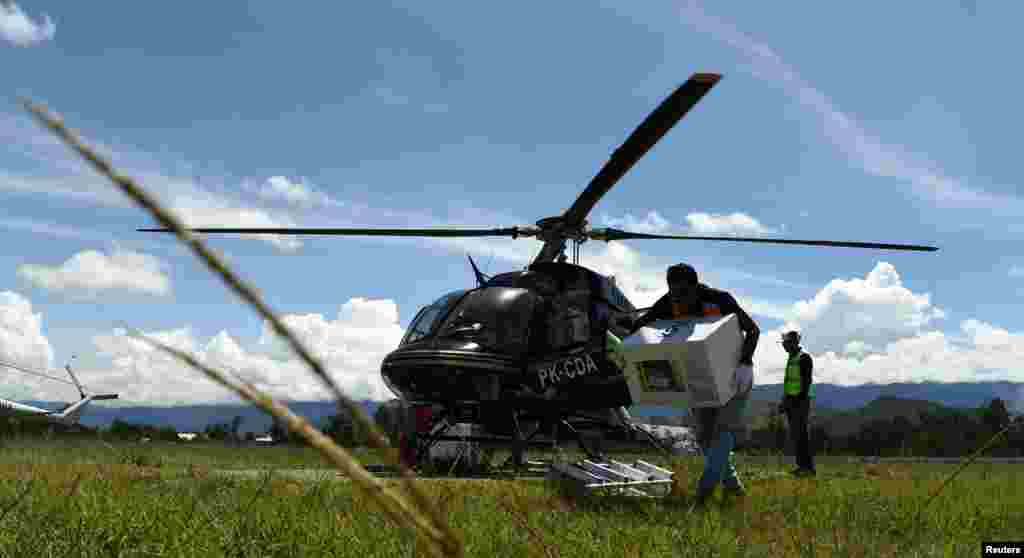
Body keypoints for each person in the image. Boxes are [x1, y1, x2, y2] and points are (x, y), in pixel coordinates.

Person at [624, 263, 760, 506]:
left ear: (696, 286)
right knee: (706, 437)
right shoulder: (668, 302)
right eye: (675, 293)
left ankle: (703, 494)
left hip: (735, 376)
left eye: (684, 293)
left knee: (722, 432)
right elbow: (640, 327)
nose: (680, 299)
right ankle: (735, 490)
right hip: (698, 378)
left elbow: (753, 330)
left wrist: (745, 363)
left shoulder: (719, 300)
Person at [778, 330, 816, 476]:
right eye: (783, 343)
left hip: (800, 402)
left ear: (794, 343)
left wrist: (796, 401)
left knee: (801, 435)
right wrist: (785, 401)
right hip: (791, 401)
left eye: (786, 343)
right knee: (796, 435)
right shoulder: (791, 358)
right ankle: (802, 467)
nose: (784, 346)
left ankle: (808, 468)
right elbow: (789, 383)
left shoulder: (804, 358)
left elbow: (806, 382)